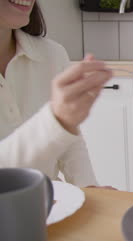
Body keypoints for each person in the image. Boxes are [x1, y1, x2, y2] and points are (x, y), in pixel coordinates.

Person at [0, 0, 112, 187]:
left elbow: (70, 141)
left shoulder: (52, 53)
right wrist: (56, 121)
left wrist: (89, 188)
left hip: (48, 201)